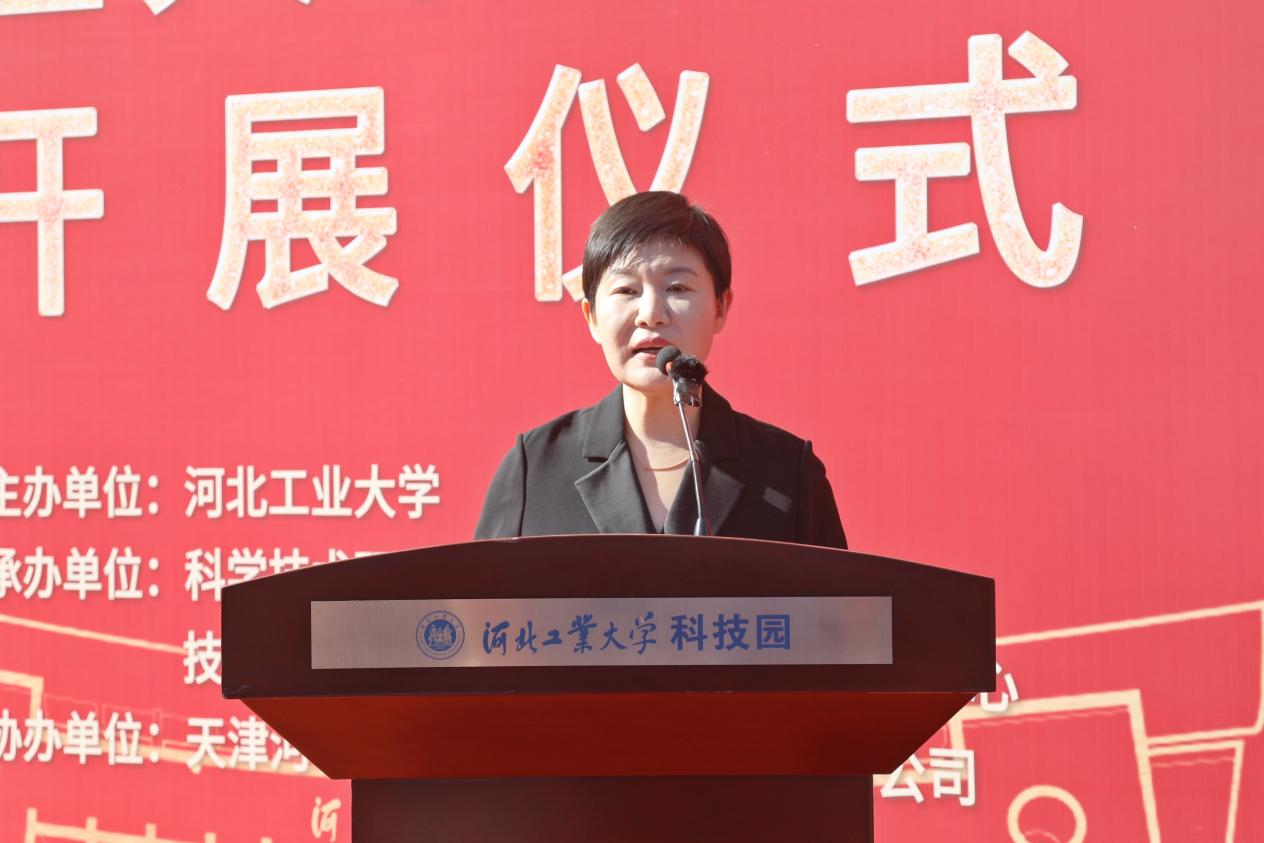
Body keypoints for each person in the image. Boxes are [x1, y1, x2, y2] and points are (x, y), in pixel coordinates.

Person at [474, 191, 846, 548]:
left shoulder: (786, 472)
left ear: (720, 307)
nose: (651, 314)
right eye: (626, 291)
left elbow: (834, 594)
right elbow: (482, 591)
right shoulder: (535, 466)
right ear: (591, 317)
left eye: (678, 287)